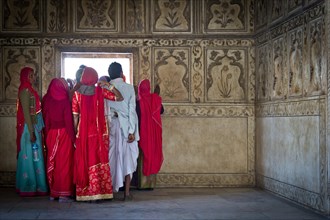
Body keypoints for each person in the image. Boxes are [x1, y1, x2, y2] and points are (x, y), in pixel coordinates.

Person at [72, 66, 123, 202]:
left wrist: (76, 134)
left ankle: (86, 194)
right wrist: (108, 86)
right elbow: (120, 98)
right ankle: (100, 193)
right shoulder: (100, 92)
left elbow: (75, 117)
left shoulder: (77, 94)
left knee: (86, 160)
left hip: (83, 134)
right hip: (101, 134)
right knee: (99, 161)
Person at [105, 62, 139, 200]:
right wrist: (131, 131)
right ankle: (126, 193)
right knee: (127, 159)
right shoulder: (129, 88)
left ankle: (110, 192)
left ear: (109, 74)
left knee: (111, 158)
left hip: (110, 126)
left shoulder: (105, 88)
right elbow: (132, 110)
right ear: (121, 73)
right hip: (126, 127)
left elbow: (104, 111)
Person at [42, 78, 77, 202]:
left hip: (51, 134)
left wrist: (46, 136)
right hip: (64, 134)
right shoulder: (64, 101)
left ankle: (54, 192)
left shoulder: (46, 99)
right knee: (65, 164)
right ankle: (64, 194)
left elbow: (45, 120)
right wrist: (74, 139)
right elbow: (68, 122)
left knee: (53, 162)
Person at [16, 66, 48, 196]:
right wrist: (32, 132)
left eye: (33, 75)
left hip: (34, 127)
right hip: (28, 129)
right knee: (28, 157)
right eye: (30, 75)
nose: (33, 77)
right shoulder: (24, 90)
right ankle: (28, 185)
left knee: (35, 156)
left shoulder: (30, 90)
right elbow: (26, 114)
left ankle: (38, 186)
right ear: (25, 77)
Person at [136, 80, 164, 189]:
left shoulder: (138, 102)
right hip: (154, 134)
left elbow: (137, 116)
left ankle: (142, 184)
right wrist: (156, 96)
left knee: (143, 156)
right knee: (153, 154)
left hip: (142, 133)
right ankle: (150, 184)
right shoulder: (155, 99)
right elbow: (161, 111)